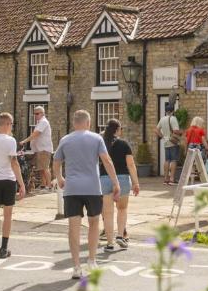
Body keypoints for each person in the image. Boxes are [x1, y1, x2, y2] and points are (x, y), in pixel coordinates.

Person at [53, 110, 121, 279]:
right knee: (94, 223)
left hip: (72, 189)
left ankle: (76, 266)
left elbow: (56, 161)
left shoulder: (65, 140)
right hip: (92, 188)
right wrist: (115, 182)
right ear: (88, 123)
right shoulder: (96, 138)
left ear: (74, 123)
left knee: (73, 227)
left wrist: (59, 177)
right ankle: (91, 260)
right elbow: (107, 161)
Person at [0, 112, 26, 259]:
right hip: (8, 180)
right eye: (11, 124)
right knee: (7, 216)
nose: (12, 127)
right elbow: (14, 163)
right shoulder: (11, 141)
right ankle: (3, 249)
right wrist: (21, 184)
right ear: (7, 124)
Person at [99, 119, 140, 252]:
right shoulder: (124, 144)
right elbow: (131, 165)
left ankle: (110, 243)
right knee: (122, 209)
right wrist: (136, 182)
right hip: (122, 179)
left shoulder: (101, 144)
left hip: (104, 179)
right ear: (117, 130)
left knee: (108, 213)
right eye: (121, 129)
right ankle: (120, 236)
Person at [18, 106, 53, 190]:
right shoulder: (40, 122)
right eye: (34, 114)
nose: (35, 115)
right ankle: (43, 185)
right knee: (41, 168)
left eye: (37, 113)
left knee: (45, 168)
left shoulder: (43, 122)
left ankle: (49, 187)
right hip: (39, 149)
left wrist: (24, 141)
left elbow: (36, 134)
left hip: (44, 149)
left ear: (42, 113)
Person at [155, 103, 182, 185]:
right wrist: (181, 132)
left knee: (167, 160)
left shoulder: (162, 119)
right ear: (173, 111)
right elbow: (176, 131)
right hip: (173, 142)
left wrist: (163, 137)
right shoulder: (173, 118)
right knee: (174, 160)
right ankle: (172, 179)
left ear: (166, 111)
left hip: (166, 142)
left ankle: (166, 179)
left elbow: (156, 130)